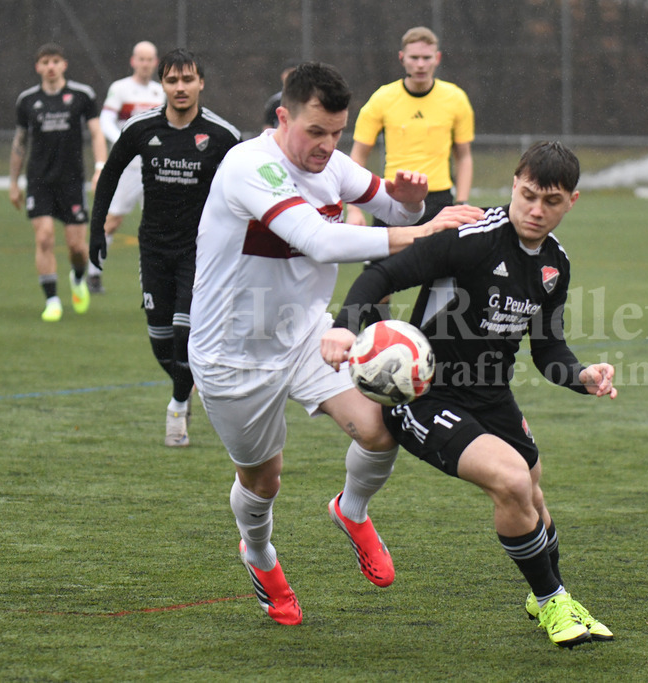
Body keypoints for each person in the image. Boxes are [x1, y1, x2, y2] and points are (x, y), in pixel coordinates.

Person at [187, 61, 483, 625]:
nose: (327, 145)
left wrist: (411, 203)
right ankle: (259, 554)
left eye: (337, 132)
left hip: (307, 335)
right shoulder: (250, 166)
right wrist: (420, 230)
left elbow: (393, 208)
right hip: (233, 354)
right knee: (263, 479)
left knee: (380, 428)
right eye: (315, 131)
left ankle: (351, 510)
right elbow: (320, 241)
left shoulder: (333, 165)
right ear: (283, 118)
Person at [321, 141, 617, 648]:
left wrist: (581, 375)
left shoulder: (554, 265)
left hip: (491, 393)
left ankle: (547, 595)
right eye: (528, 195)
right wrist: (346, 326)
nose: (536, 210)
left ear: (571, 201)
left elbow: (548, 349)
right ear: (514, 185)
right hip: (425, 395)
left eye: (551, 201)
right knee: (511, 480)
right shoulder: (471, 238)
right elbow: (382, 274)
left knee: (533, 489)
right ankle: (552, 600)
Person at [89, 48, 240, 447]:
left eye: (188, 79)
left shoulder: (223, 135)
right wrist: (96, 230)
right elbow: (110, 174)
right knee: (161, 342)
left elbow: (249, 184)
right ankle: (184, 388)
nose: (180, 87)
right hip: (154, 248)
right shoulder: (141, 128)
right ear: (162, 85)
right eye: (172, 80)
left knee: (184, 332)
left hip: (201, 251)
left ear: (201, 83)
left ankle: (177, 404)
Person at [10, 43, 107, 322]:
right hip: (39, 181)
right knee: (44, 238)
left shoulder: (82, 95)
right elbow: (19, 142)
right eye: (45, 62)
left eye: (55, 61)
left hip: (72, 182)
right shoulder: (27, 100)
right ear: (38, 67)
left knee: (77, 248)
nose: (50, 67)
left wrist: (100, 167)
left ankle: (77, 278)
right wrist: (13, 182)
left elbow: (96, 133)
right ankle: (52, 300)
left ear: (64, 64)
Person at [346, 26, 475, 227]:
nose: (420, 65)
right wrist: (353, 210)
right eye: (414, 58)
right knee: (386, 250)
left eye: (426, 58)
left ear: (437, 58)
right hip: (392, 197)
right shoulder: (382, 99)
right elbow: (358, 156)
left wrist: (461, 202)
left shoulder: (456, 99)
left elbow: (464, 156)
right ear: (402, 58)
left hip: (439, 201)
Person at [86, 40, 166, 294]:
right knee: (113, 220)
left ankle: (155, 280)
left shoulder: (161, 92)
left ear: (155, 62)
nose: (145, 64)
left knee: (157, 224)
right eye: (141, 59)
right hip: (128, 167)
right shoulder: (120, 88)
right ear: (133, 61)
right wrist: (126, 143)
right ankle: (93, 273)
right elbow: (106, 121)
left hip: (155, 167)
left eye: (149, 59)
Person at [261, 63, 298, 130]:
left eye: (294, 73)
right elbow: (268, 125)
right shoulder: (275, 101)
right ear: (282, 76)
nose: (291, 77)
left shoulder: (307, 100)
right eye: (288, 73)